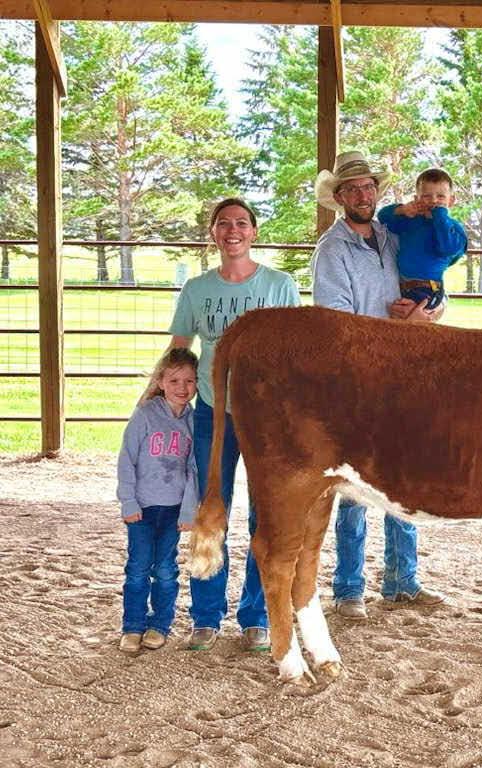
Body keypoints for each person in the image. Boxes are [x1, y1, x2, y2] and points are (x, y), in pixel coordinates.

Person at [311, 150, 446, 620]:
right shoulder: (332, 250)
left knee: (402, 477)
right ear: (340, 197)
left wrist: (428, 312)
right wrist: (400, 329)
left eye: (368, 187)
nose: (363, 195)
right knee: (354, 483)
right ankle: (349, 586)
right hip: (357, 380)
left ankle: (403, 579)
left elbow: (430, 284)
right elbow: (335, 323)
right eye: (353, 189)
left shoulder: (393, 237)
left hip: (401, 376)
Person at [168, 197, 301, 652]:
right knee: (211, 509)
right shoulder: (197, 289)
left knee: (267, 515)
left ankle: (256, 615)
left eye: (241, 223)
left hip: (267, 418)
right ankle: (205, 616)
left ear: (253, 232)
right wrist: (163, 393)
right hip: (213, 410)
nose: (233, 231)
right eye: (223, 223)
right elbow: (181, 347)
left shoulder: (280, 285)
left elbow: (294, 351)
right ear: (213, 233)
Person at [117, 348, 199, 653]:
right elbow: (126, 459)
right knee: (138, 568)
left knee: (165, 570)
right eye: (174, 380)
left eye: (189, 381)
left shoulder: (194, 421)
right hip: (142, 508)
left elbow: (194, 469)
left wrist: (188, 511)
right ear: (161, 382)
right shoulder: (145, 414)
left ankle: (160, 625)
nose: (182, 387)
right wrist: (128, 502)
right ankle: (132, 626)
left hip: (174, 509)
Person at [378, 167, 467, 311]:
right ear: (416, 199)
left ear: (451, 200)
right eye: (426, 196)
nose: (434, 201)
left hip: (428, 288)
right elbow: (382, 216)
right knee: (393, 315)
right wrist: (402, 209)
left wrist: (440, 216)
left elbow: (449, 249)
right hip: (401, 285)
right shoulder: (410, 220)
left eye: (441, 196)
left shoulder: (454, 228)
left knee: (409, 317)